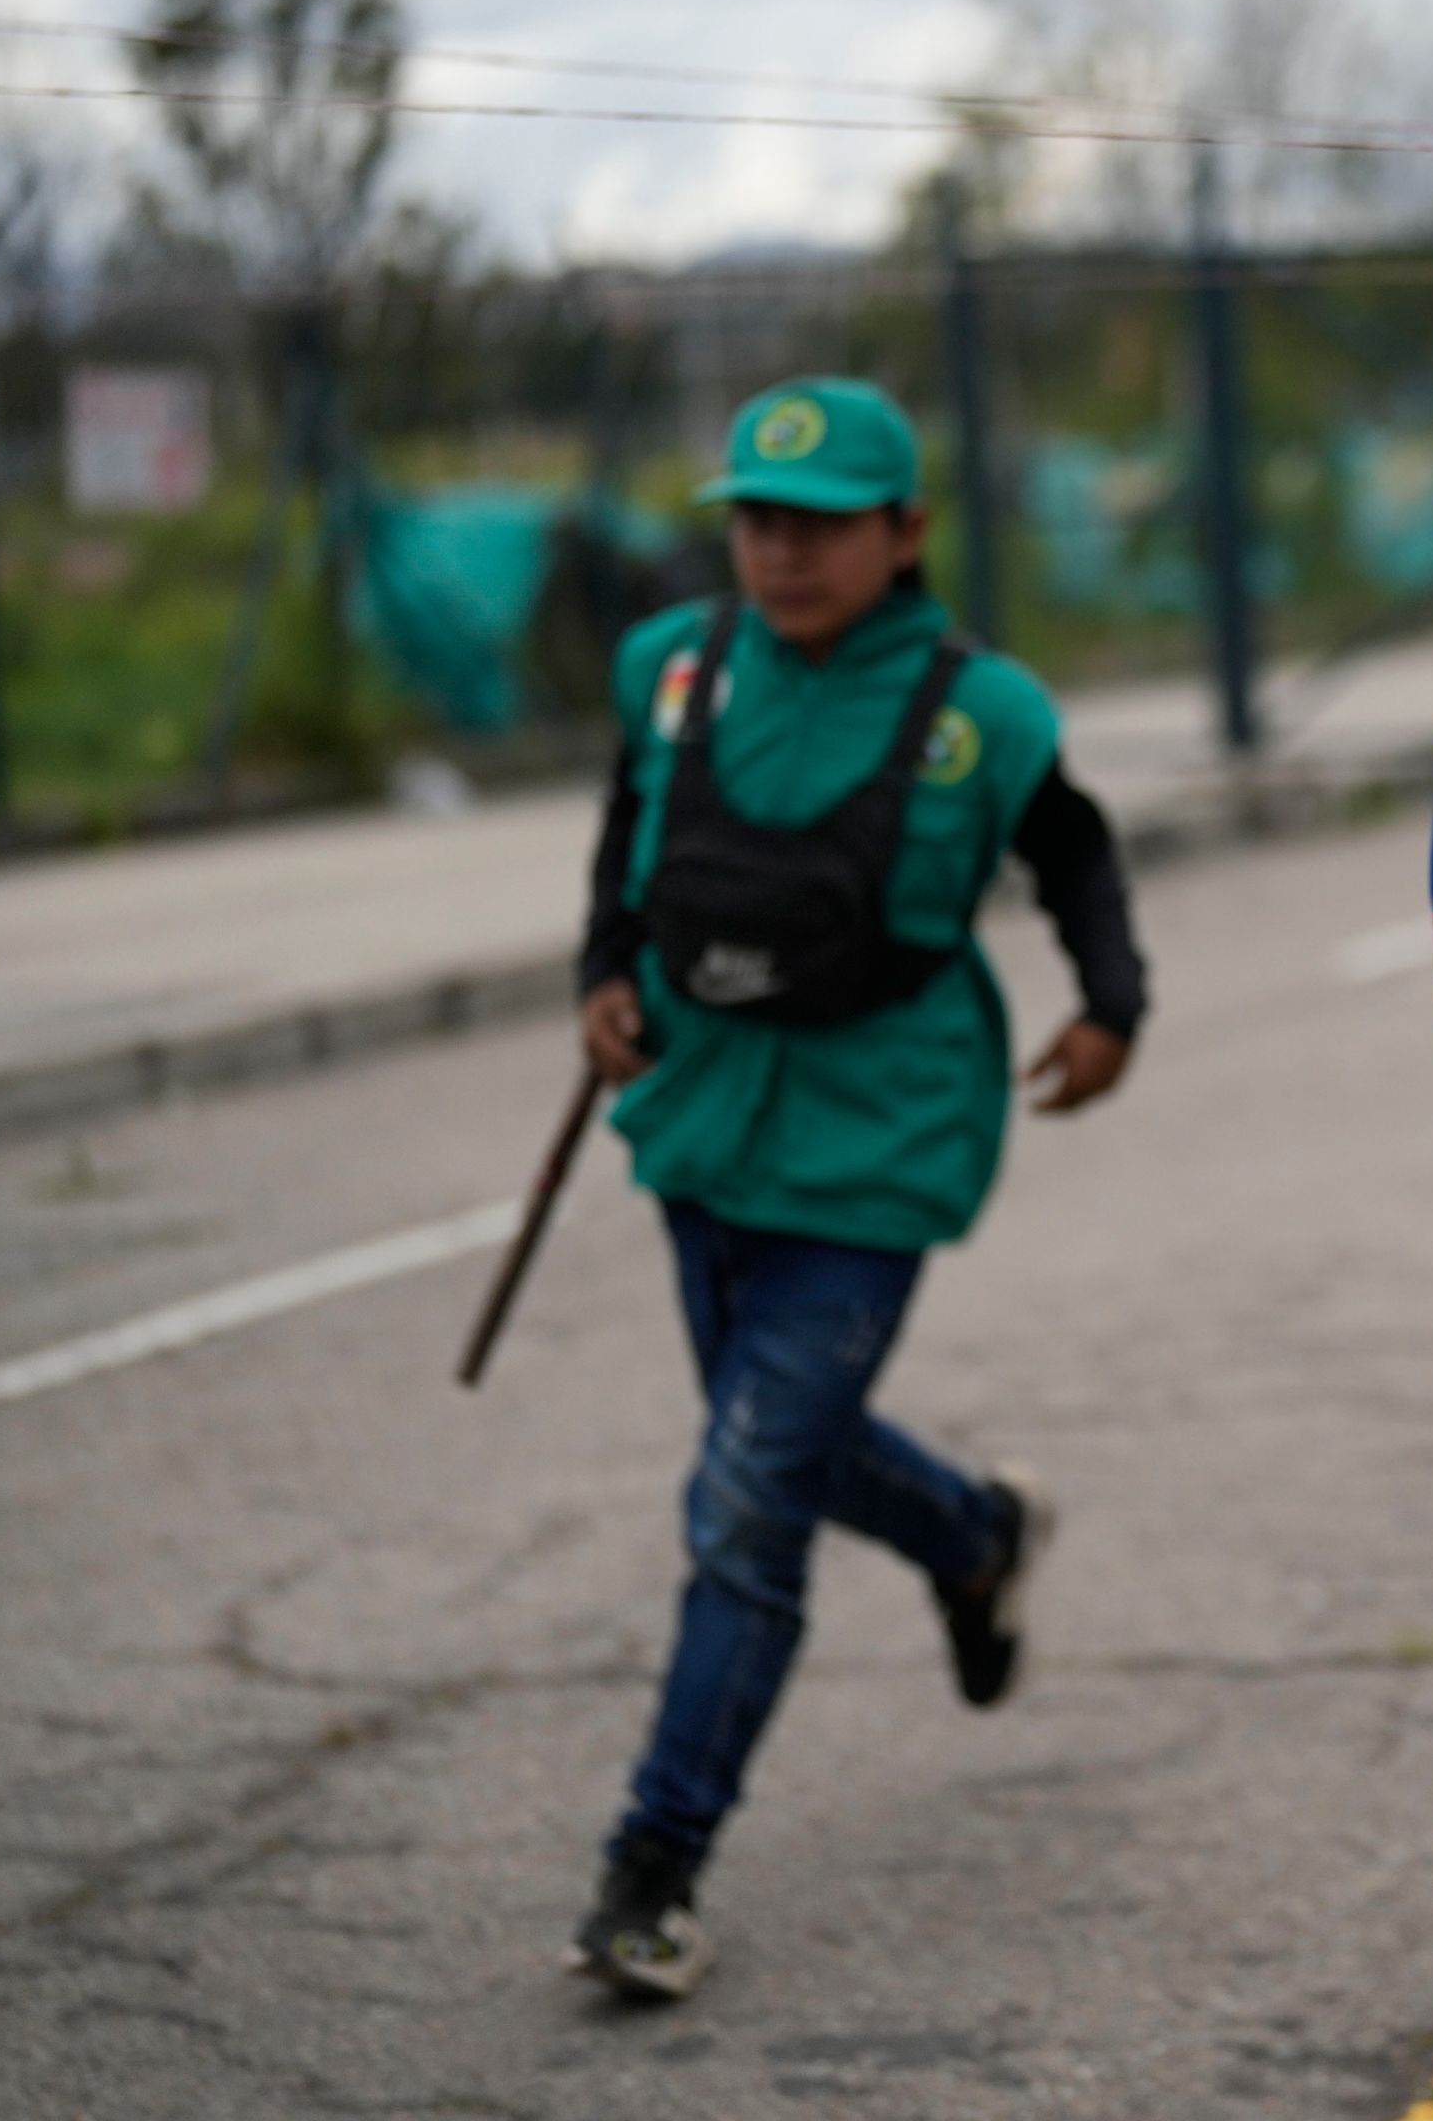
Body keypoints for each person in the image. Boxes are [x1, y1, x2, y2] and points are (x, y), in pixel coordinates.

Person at [561, 376, 1148, 1998]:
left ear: (907, 533)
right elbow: (632, 835)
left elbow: (1076, 853)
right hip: (701, 1124)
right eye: (757, 519)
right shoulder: (675, 670)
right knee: (787, 1452)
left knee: (748, 1501)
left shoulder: (986, 711)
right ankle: (973, 1538)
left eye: (822, 526)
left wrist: (1111, 1004)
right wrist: (606, 969)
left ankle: (652, 1868)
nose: (784, 551)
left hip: (878, 1142)